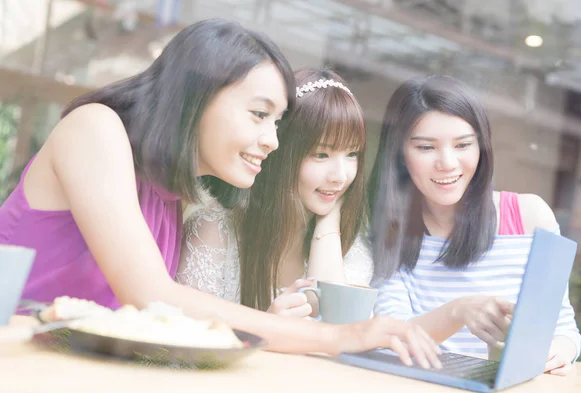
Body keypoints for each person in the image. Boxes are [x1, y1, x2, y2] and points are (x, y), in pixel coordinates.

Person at [0, 18, 440, 367]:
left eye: (277, 122)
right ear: (197, 97)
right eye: (258, 114)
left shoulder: (170, 192)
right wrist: (340, 335)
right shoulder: (95, 128)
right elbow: (151, 295)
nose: (273, 140)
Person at [368, 75, 581, 375]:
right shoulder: (391, 229)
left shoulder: (530, 216)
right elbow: (391, 339)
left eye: (463, 145)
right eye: (426, 147)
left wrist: (557, 352)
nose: (447, 163)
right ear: (400, 154)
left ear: (481, 148)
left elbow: (562, 326)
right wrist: (458, 311)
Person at [177, 68, 373, 317]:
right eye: (321, 154)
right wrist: (266, 328)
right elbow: (182, 345)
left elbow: (340, 336)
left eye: (352, 154)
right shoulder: (214, 232)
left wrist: (328, 228)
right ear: (280, 153)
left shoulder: (349, 250)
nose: (340, 176)